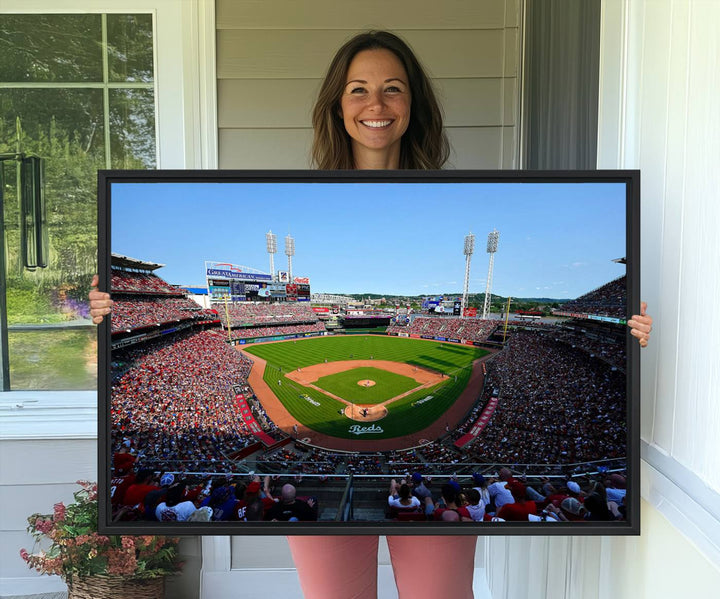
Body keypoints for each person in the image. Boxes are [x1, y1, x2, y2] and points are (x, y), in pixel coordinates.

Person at [90, 29, 654, 599]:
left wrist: (628, 332)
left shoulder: (454, 191)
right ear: (338, 104)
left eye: (393, 89)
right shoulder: (300, 190)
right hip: (323, 481)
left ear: (414, 104)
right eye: (358, 89)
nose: (376, 104)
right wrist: (106, 313)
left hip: (430, 484)